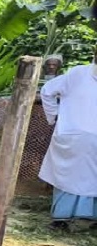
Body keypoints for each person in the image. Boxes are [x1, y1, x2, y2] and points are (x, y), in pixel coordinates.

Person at [38, 54, 97, 230]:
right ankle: (64, 218)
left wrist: (54, 117)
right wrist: (54, 117)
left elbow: (47, 91)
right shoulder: (78, 74)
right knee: (69, 177)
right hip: (72, 138)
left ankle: (81, 219)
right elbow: (47, 91)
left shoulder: (77, 73)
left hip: (79, 138)